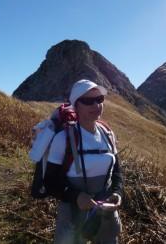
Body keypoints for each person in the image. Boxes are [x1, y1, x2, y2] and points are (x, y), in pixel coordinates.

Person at [44, 79, 123, 244]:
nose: (96, 105)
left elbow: (116, 172)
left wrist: (117, 193)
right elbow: (50, 181)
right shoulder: (63, 138)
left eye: (99, 99)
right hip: (72, 209)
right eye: (88, 101)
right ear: (76, 105)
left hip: (105, 207)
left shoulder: (108, 134)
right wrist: (75, 196)